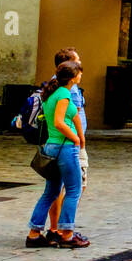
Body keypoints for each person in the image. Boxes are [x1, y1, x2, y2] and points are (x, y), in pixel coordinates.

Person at [26, 61, 89, 249]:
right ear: (72, 77)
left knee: (51, 192)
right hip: (65, 147)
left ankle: (34, 233)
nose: (80, 76)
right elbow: (60, 122)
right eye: (79, 73)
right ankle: (67, 234)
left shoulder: (52, 93)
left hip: (52, 146)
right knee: (74, 190)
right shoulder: (63, 94)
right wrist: (76, 139)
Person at [41, 47, 89, 243]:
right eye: (77, 63)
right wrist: (78, 139)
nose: (80, 68)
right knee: (76, 187)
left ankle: (51, 229)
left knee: (54, 189)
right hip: (68, 144)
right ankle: (64, 231)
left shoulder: (53, 86)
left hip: (57, 143)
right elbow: (70, 117)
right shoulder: (67, 90)